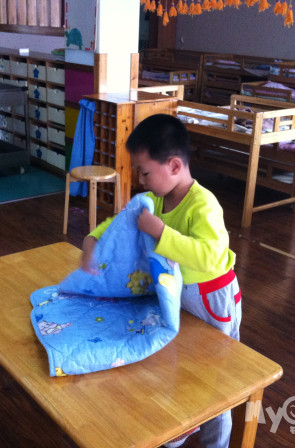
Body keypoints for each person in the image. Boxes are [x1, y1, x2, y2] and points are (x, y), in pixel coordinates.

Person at [81, 114, 241, 448]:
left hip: (212, 298)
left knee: (215, 380)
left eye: (144, 172)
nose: (140, 181)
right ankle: (184, 420)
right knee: (184, 364)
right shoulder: (155, 199)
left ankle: (214, 440)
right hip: (180, 297)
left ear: (174, 166)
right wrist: (94, 238)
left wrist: (161, 232)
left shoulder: (203, 203)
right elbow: (122, 221)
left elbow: (209, 256)